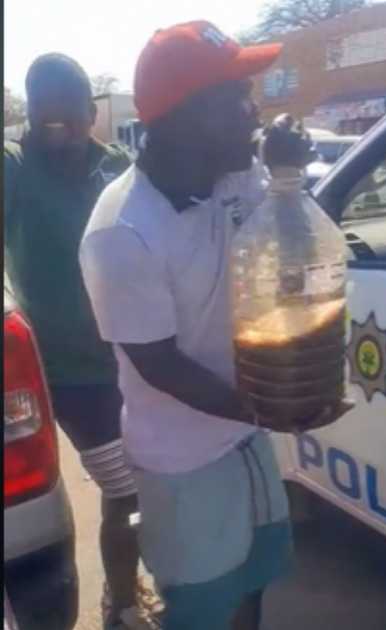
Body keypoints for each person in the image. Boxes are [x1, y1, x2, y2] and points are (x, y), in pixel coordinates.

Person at [79, 21, 347, 630]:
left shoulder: (231, 175)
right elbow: (159, 364)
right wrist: (273, 408)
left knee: (253, 584)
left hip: (243, 435)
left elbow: (293, 239)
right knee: (202, 608)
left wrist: (285, 169)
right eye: (235, 97)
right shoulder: (122, 232)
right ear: (184, 116)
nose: (253, 112)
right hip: (183, 460)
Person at [2, 53, 162, 630]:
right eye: (45, 119)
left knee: (149, 481)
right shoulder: (15, 165)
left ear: (91, 113)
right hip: (67, 373)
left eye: (70, 117)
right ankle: (120, 604)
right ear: (29, 116)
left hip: (134, 358)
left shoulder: (115, 164)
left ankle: (137, 584)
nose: (60, 130)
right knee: (125, 488)